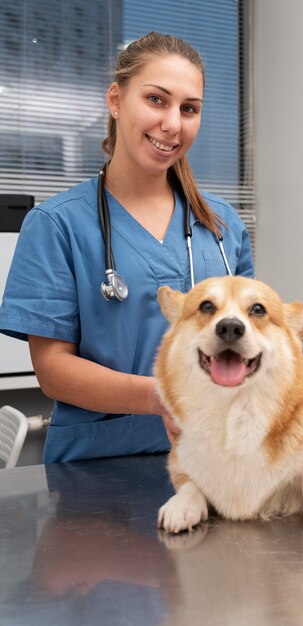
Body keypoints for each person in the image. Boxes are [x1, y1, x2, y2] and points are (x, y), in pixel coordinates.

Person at [0, 32, 254, 463]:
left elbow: (250, 341)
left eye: (188, 109)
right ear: (116, 100)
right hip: (95, 473)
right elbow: (54, 372)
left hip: (214, 462)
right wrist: (165, 397)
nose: (173, 123)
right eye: (157, 100)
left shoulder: (223, 225)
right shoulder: (57, 225)